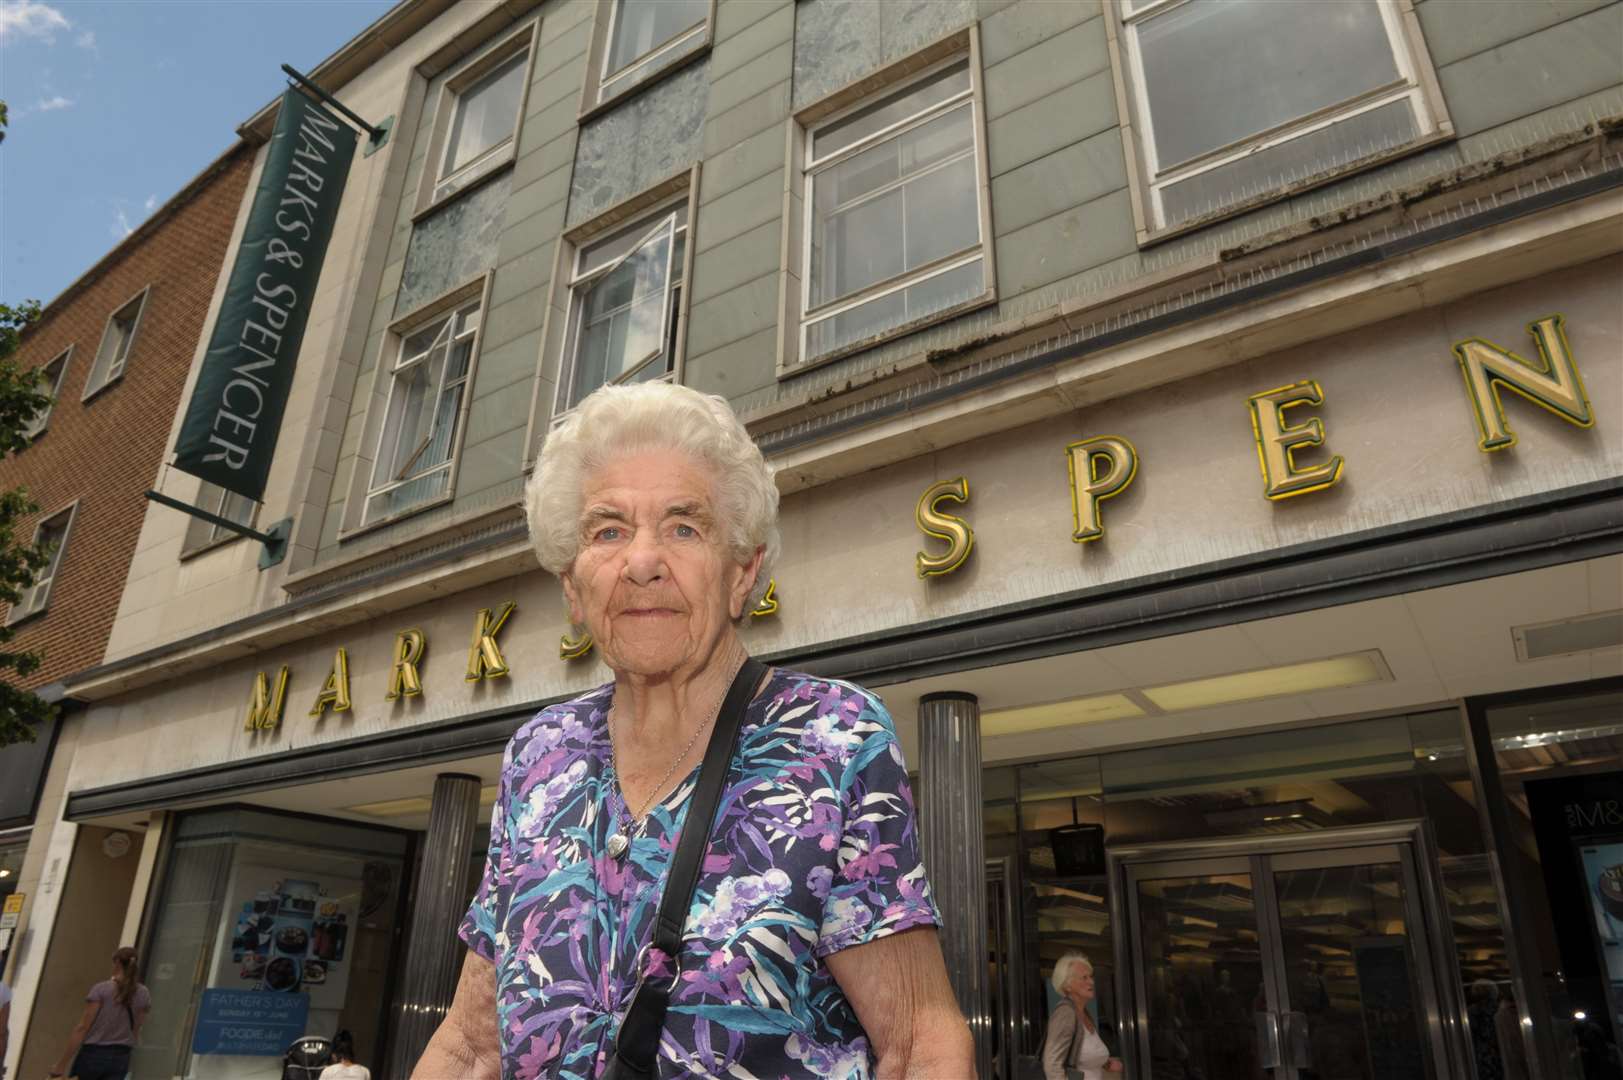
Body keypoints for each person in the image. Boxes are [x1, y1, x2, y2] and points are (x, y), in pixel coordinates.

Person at [416, 382, 973, 1078]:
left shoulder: (831, 737)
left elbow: (919, 1043)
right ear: (572, 588)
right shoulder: (540, 753)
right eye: (608, 530)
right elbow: (471, 1044)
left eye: (683, 526)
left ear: (742, 573)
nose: (642, 561)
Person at [46, 946, 150, 1080]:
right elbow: (136, 1028)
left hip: (93, 1054)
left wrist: (61, 1064)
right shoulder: (144, 993)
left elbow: (82, 1027)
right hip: (121, 1057)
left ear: (117, 962)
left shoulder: (101, 989)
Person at [1042, 952, 1121, 1080]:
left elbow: (1083, 1053)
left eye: (1090, 977)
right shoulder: (1065, 1013)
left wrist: (1106, 1063)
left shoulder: (1083, 1013)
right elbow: (1052, 1065)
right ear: (1067, 985)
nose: (1091, 982)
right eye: (1084, 978)